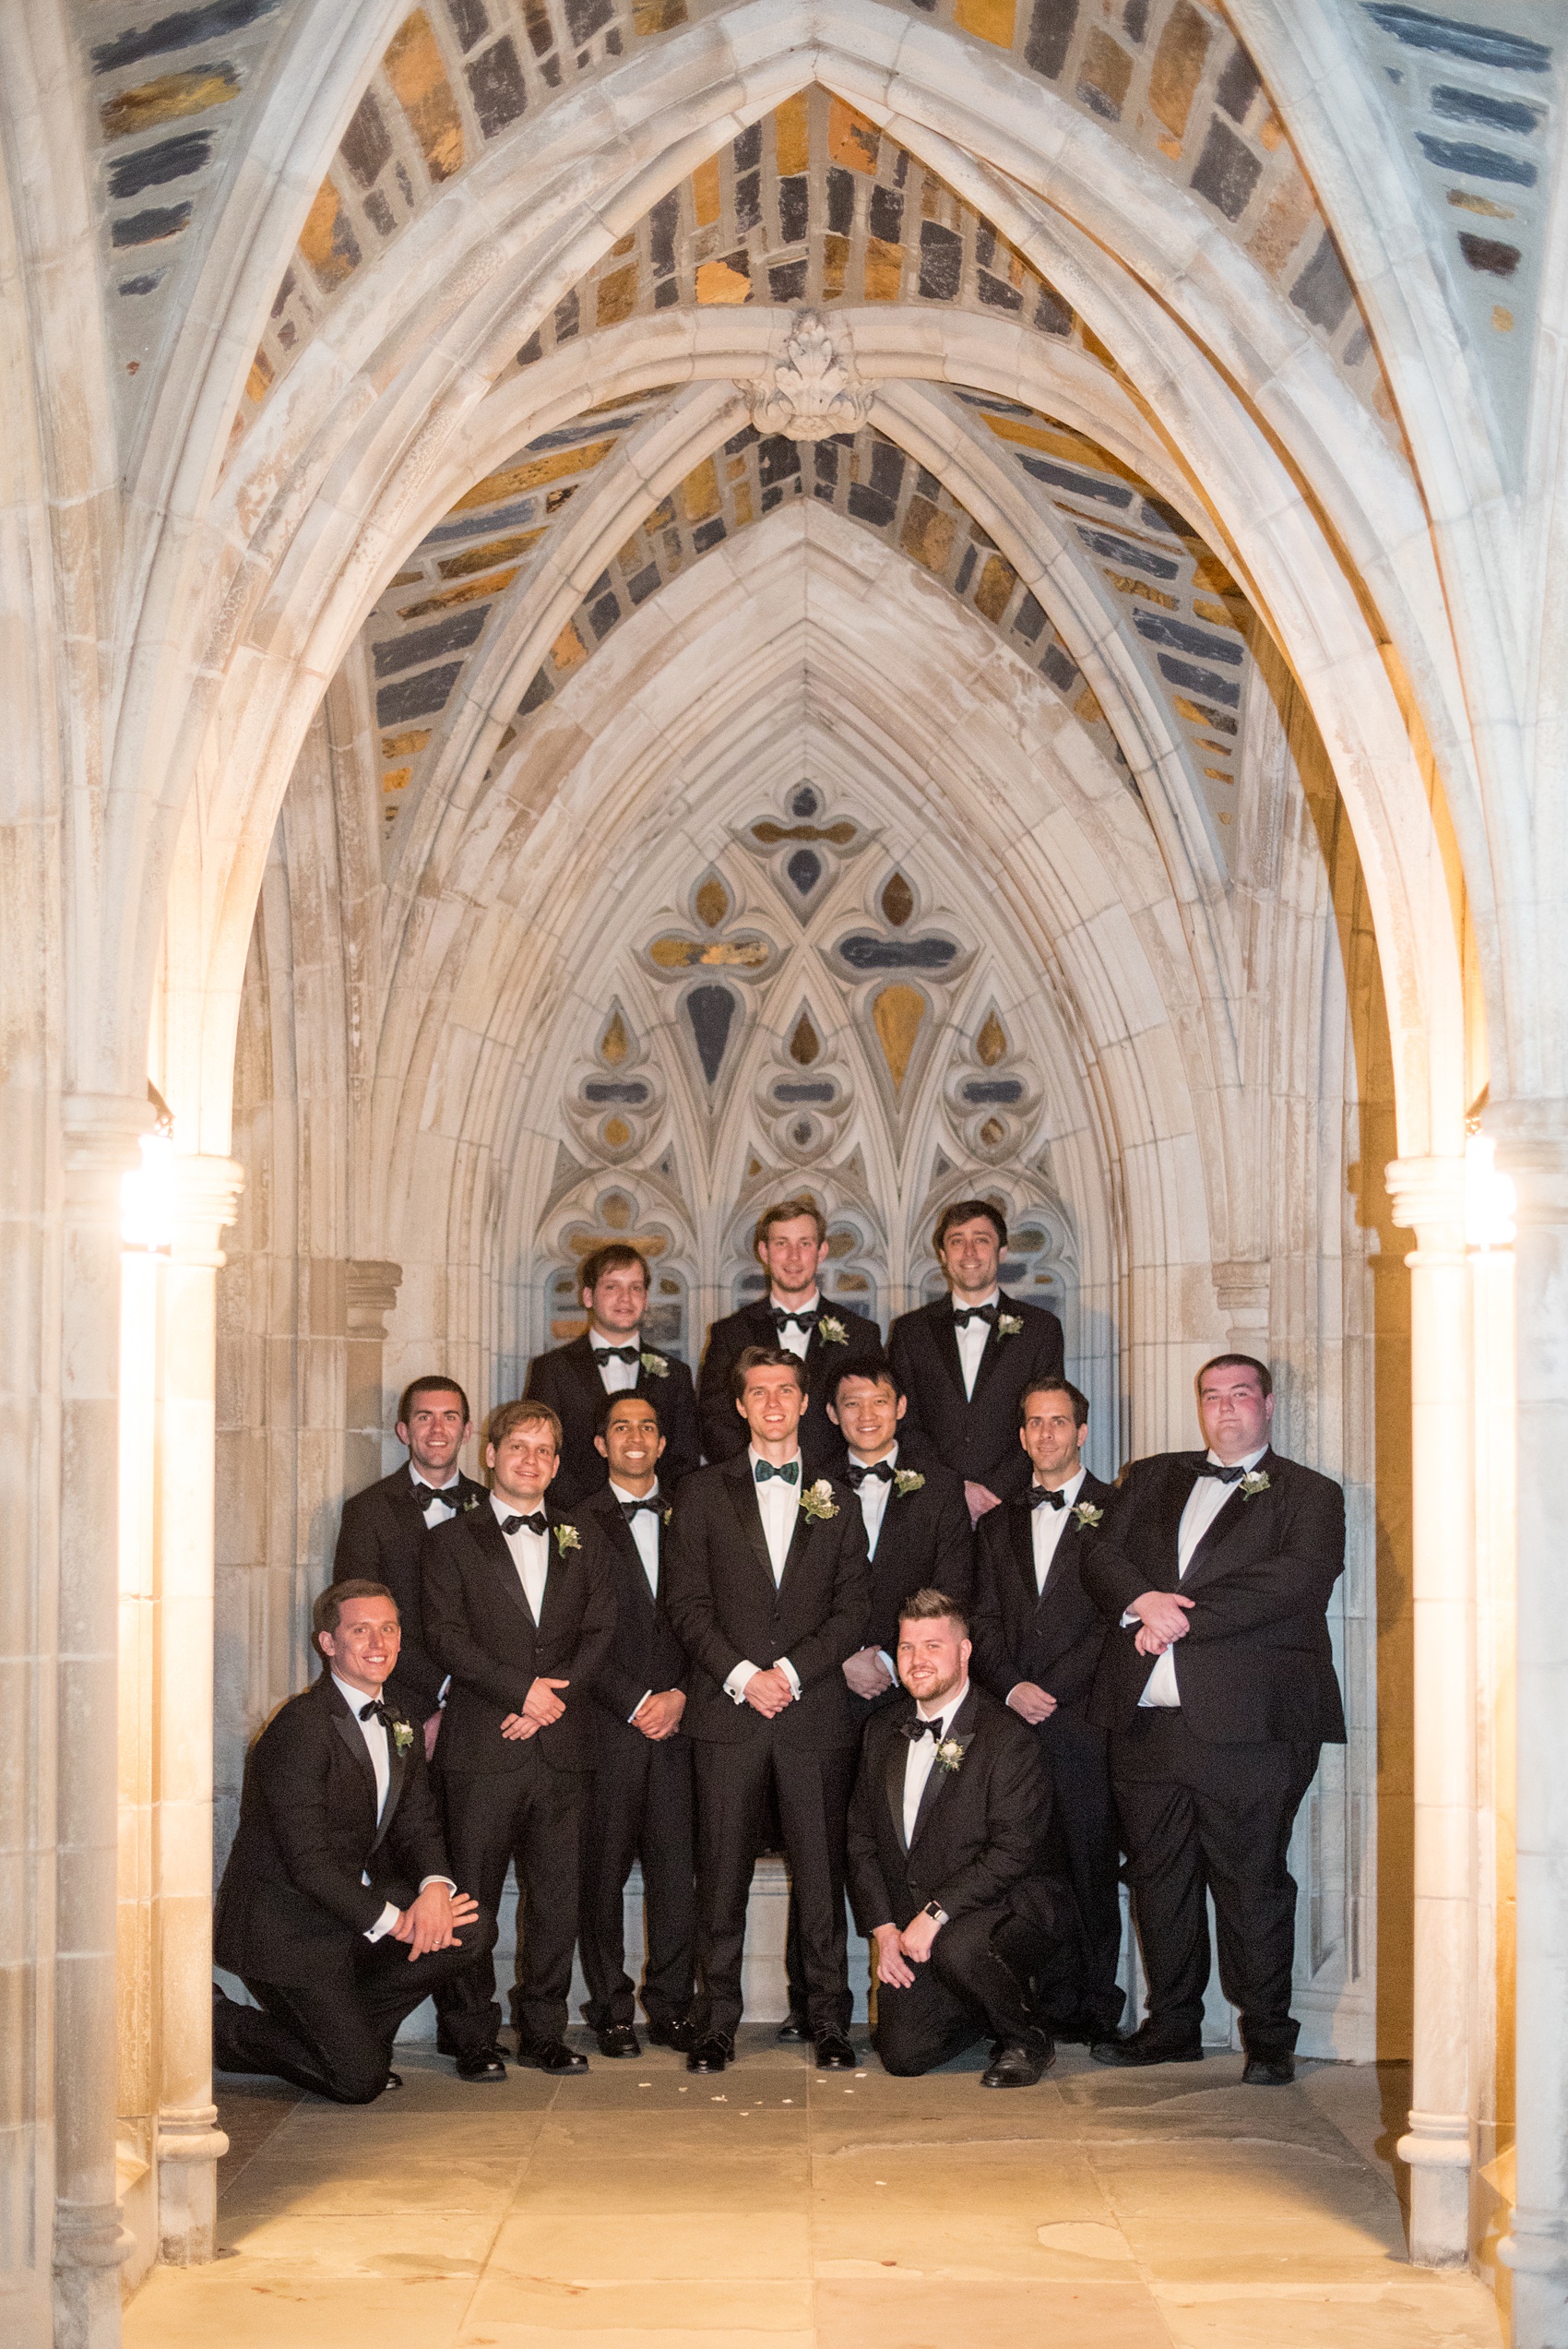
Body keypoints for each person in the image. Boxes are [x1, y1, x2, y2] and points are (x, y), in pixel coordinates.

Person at [1081, 1353, 1346, 2083]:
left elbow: (1296, 1581)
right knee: (1160, 1880)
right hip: (1146, 1724)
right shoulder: (1157, 1476)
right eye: (1212, 1397)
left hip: (1252, 1729)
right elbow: (1100, 1556)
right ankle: (1172, 2026)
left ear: (1266, 1404)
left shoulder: (1310, 1493)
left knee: (1251, 1880)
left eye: (1240, 1395)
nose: (1225, 1410)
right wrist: (1142, 1601)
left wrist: (1175, 1619)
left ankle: (1268, 2037)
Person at [665, 1346, 870, 2075]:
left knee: (822, 1879)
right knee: (721, 1877)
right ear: (742, 1406)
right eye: (760, 1392)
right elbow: (685, 1606)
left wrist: (788, 1672)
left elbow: (854, 1608)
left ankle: (829, 2021)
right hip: (727, 1717)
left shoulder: (838, 1497)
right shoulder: (700, 1492)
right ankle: (714, 2021)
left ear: (805, 1402)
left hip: (813, 1717)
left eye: (787, 1390)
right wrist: (745, 1676)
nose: (775, 1403)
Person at [212, 1579, 497, 2100]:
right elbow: (307, 1864)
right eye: (360, 1630)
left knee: (469, 1927)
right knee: (358, 2082)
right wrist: (399, 1923)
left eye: (388, 1629)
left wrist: (435, 1888)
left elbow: (419, 1825)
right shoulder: (301, 1727)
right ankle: (217, 2024)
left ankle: (350, 2037)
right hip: (287, 1929)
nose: (377, 1644)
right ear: (328, 1643)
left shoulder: (400, 1721)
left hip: (346, 1917)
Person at [771, 1355, 975, 2043]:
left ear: (901, 1407)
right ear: (829, 1414)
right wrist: (847, 1655)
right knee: (822, 1848)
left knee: (915, 1843)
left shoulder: (943, 1489)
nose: (865, 1415)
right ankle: (815, 2003)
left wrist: (890, 1659)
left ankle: (928, 1993)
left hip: (912, 1696)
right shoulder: (807, 1485)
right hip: (826, 1692)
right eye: (851, 1404)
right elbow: (793, 1592)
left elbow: (953, 1585)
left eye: (878, 1402)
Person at [422, 1400, 614, 2074]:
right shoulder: (450, 1541)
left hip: (562, 1749)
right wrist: (518, 1692)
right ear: (491, 1455)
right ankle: (472, 2036)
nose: (531, 1461)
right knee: (472, 1897)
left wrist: (548, 1701)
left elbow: (600, 1631)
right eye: (519, 1448)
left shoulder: (582, 1535)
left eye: (544, 1451)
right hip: (482, 1749)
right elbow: (445, 1635)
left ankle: (543, 2032)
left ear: (557, 1465)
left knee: (557, 1900)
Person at [848, 1589, 1060, 2087]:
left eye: (933, 1646)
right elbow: (860, 1839)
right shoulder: (881, 1730)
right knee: (903, 2055)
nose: (917, 1661)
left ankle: (1026, 2036)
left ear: (964, 1653)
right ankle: (982, 2008)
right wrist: (883, 1928)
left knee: (959, 1947)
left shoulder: (1007, 1736)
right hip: (919, 1925)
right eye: (906, 1647)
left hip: (1007, 1911)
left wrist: (934, 1914)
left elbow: (1013, 1853)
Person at [970, 1378, 1123, 2042]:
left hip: (1084, 1720)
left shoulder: (1117, 1512)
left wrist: (1051, 1691)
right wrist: (1009, 1688)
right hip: (1011, 1723)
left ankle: (1091, 2007)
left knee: (1089, 1866)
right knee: (1024, 1869)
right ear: (1023, 1434)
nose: (1046, 1435)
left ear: (1081, 1433)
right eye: (1035, 1423)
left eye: (1059, 1423)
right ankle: (1033, 2002)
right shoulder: (999, 1522)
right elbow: (981, 1617)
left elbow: (1116, 1618)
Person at [575, 1391, 696, 2057]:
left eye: (648, 1425)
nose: (635, 1436)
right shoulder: (575, 1522)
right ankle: (611, 2007)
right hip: (608, 1726)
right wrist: (632, 1701)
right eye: (620, 1425)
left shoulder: (693, 1511)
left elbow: (713, 1612)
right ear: (601, 1444)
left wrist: (681, 1694)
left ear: (662, 1441)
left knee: (678, 1877)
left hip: (680, 1726)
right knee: (603, 1876)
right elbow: (572, 1630)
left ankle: (673, 2006)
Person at [888, 1200, 1064, 1525]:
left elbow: (1047, 1421)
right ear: (942, 1254)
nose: (969, 1252)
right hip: (931, 1508)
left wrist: (993, 1491)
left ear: (1002, 1252)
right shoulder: (910, 1332)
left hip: (1012, 1505)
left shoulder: (1041, 1329)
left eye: (981, 1240)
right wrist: (954, 1489)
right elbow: (904, 1423)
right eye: (957, 1241)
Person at [332, 1376, 487, 1732]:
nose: (437, 1428)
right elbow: (358, 1621)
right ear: (403, 1430)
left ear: (466, 1431)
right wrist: (440, 1690)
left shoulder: (491, 1509)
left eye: (450, 1417)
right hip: (399, 1702)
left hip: (483, 1703)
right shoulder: (366, 1511)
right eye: (423, 1417)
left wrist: (469, 1693)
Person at [697, 1196, 882, 1479]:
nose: (793, 1256)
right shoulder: (730, 1333)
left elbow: (872, 1417)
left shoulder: (860, 1334)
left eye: (804, 1244)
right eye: (781, 1243)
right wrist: (762, 1472)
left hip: (836, 1486)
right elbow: (714, 1419)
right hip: (752, 1486)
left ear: (821, 1251)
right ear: (764, 1251)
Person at [526, 1244, 701, 1509]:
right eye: (612, 1287)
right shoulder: (552, 1370)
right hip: (576, 1520)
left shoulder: (675, 1374)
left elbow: (683, 1458)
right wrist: (585, 1516)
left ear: (645, 1298)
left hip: (656, 1520)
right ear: (588, 1296)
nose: (625, 1298)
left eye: (635, 1287)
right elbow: (541, 1451)